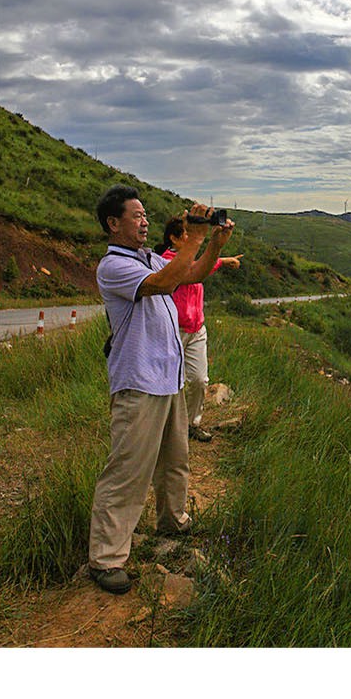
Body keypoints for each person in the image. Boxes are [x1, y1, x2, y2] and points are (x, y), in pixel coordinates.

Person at [86, 184, 233, 595]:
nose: (145, 221)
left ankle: (174, 520)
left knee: (175, 459)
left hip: (167, 378)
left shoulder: (147, 257)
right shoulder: (114, 267)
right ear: (113, 224)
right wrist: (195, 236)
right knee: (128, 471)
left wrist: (214, 242)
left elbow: (193, 274)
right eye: (136, 215)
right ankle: (107, 558)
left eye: (145, 214)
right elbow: (166, 282)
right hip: (138, 382)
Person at [156, 213, 242, 442]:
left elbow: (200, 266)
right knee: (172, 381)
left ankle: (192, 424)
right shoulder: (164, 261)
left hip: (196, 329)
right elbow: (191, 270)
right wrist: (220, 257)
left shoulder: (192, 260)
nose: (194, 238)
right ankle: (166, 428)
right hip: (173, 331)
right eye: (188, 234)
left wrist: (219, 253)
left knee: (199, 380)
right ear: (174, 239)